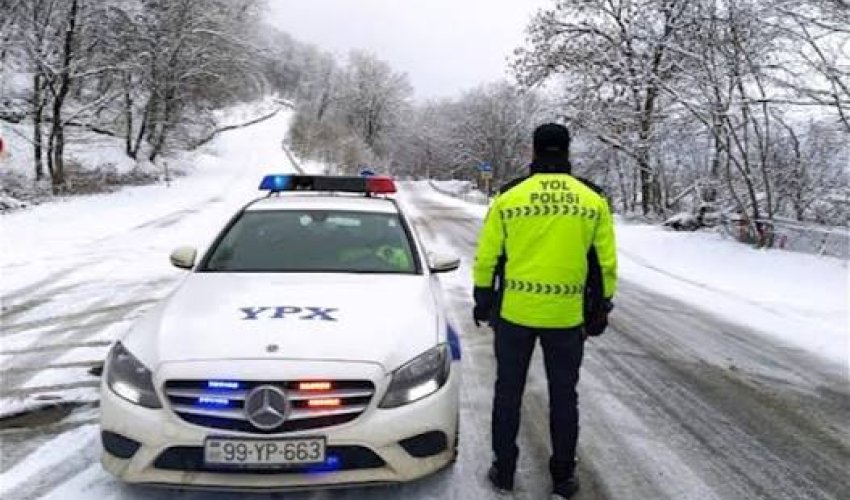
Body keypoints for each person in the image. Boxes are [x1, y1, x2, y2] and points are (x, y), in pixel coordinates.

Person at [472, 123, 617, 499]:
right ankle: (563, 477)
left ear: (533, 151)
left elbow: (488, 256)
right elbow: (604, 262)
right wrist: (601, 307)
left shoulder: (509, 197)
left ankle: (504, 471)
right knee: (564, 396)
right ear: (567, 152)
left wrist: (483, 299)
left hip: (515, 315)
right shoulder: (592, 199)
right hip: (565, 318)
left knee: (508, 393)